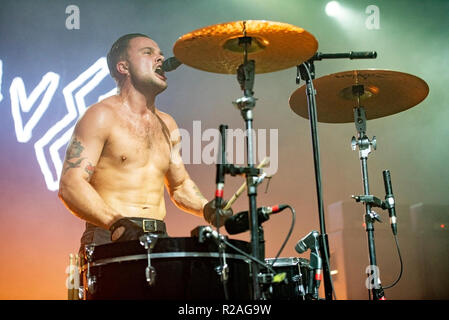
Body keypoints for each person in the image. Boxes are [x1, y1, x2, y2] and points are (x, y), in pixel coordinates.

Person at [58, 33, 232, 248]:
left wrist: (207, 208)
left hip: (159, 236)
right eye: (148, 53)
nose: (160, 59)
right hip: (110, 235)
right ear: (124, 67)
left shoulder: (167, 124)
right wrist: (116, 223)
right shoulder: (101, 115)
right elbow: (71, 184)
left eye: (161, 54)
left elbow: (179, 186)